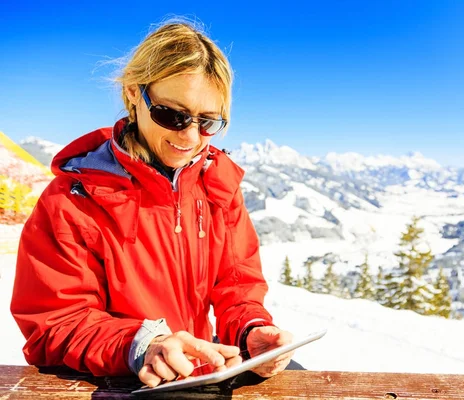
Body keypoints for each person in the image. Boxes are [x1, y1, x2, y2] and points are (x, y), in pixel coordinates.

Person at [10, 20, 296, 388]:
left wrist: (250, 330)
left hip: (197, 374)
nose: (191, 137)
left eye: (208, 122)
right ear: (133, 93)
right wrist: (143, 345)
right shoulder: (73, 201)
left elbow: (236, 284)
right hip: (118, 384)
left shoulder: (218, 185)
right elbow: (55, 321)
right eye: (172, 115)